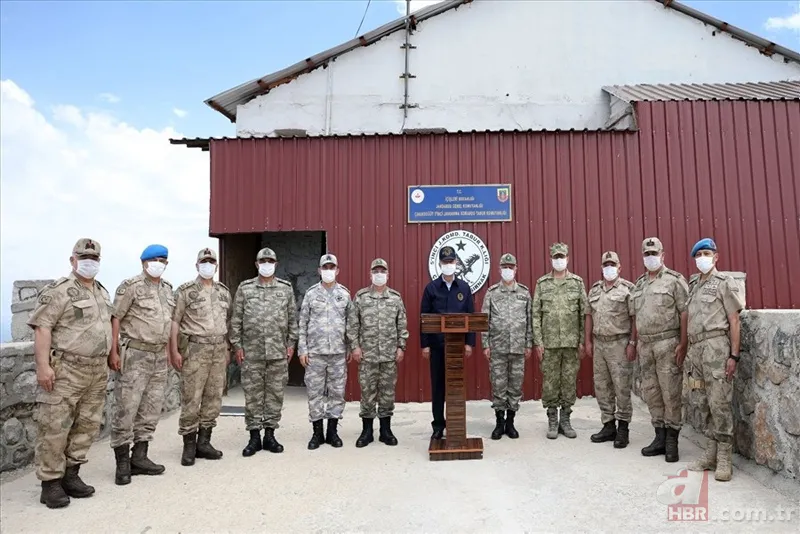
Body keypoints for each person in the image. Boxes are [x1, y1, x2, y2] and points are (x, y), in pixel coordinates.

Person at [28, 238, 113, 509]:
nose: (89, 262)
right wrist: (43, 366)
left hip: (96, 370)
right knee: (55, 426)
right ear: (72, 260)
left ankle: (71, 474)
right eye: (84, 257)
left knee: (87, 425)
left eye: (94, 258)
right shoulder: (59, 291)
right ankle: (51, 483)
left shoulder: (101, 292)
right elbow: (42, 327)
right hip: (66, 369)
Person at [108, 244, 174, 485]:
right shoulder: (131, 286)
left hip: (158, 356)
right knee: (127, 408)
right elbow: (116, 318)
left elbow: (168, 322)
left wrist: (169, 351)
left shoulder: (167, 289)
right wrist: (113, 351)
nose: (159, 264)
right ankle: (122, 464)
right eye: (155, 259)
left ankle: (140, 456)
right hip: (135, 354)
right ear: (144, 262)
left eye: (163, 260)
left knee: (151, 409)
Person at [229, 247, 298, 457]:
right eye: (263, 261)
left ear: (276, 264)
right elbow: (236, 319)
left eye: (270, 261)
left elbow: (292, 319)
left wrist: (291, 344)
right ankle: (254, 437)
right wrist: (237, 346)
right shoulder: (245, 288)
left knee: (275, 395)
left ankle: (270, 435)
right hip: (251, 352)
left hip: (278, 352)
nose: (266, 265)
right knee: (253, 395)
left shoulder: (285, 288)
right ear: (257, 264)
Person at [685, 238, 744, 482]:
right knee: (702, 401)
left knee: (719, 402)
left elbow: (734, 320)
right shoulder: (694, 285)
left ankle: (724, 457)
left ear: (716, 257)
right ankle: (710, 453)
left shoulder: (724, 283)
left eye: (707, 254)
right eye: (698, 255)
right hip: (696, 350)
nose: (702, 259)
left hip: (716, 348)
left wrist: (734, 355)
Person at [170, 248, 232, 466]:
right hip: (195, 349)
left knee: (213, 397)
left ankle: (204, 442)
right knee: (191, 397)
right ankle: (189, 445)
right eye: (204, 262)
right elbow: (174, 322)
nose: (208, 265)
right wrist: (174, 351)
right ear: (197, 266)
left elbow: (227, 322)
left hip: (218, 349)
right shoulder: (186, 291)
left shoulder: (223, 292)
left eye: (211, 262)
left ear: (216, 266)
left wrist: (227, 348)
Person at [630, 237, 689, 463]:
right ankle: (660, 437)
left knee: (670, 392)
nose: (650, 257)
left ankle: (672, 440)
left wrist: (683, 343)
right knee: (652, 392)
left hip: (667, 343)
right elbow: (636, 316)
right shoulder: (640, 284)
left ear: (662, 255)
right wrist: (634, 343)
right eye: (647, 254)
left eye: (654, 253)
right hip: (645, 345)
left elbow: (684, 312)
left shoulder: (675, 280)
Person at [348, 258, 409, 447]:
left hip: (389, 356)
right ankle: (367, 431)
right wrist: (355, 347)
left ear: (388, 274)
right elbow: (353, 324)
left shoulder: (395, 298)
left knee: (387, 394)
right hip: (367, 355)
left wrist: (401, 346)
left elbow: (402, 324)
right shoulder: (361, 297)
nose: (379, 274)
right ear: (370, 274)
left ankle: (385, 431)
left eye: (382, 271)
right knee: (367, 393)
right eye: (376, 271)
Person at [531, 242, 587, 440]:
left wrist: (582, 341)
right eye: (556, 257)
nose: (559, 260)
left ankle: (565, 419)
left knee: (569, 382)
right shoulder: (542, 284)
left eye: (561, 257)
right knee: (550, 383)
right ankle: (552, 419)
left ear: (567, 258)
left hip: (571, 343)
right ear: (551, 259)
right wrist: (538, 342)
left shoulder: (577, 283)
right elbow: (535, 315)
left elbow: (584, 314)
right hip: (550, 343)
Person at [419, 246, 475, 440]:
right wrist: (425, 345)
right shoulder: (431, 288)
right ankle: (438, 425)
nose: (448, 265)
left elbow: (470, 317)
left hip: (456, 347)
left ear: (456, 263)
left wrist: (469, 343)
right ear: (440, 264)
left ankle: (455, 424)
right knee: (438, 387)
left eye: (451, 261)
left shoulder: (464, 288)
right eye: (445, 262)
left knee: (455, 385)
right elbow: (424, 318)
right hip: (436, 346)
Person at [298, 253, 352, 450]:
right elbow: (302, 323)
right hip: (315, 353)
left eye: (332, 267)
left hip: (338, 352)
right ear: (319, 270)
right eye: (325, 267)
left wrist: (350, 346)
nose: (328, 270)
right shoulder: (311, 294)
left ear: (337, 270)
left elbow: (351, 324)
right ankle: (317, 433)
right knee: (315, 393)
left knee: (337, 392)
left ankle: (332, 432)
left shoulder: (345, 294)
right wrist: (302, 349)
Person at [584, 251, 637, 449]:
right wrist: (587, 341)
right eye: (606, 264)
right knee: (602, 386)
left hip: (619, 344)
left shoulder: (627, 289)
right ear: (601, 267)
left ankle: (623, 427)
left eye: (612, 264)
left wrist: (632, 343)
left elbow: (634, 318)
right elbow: (588, 315)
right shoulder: (595, 290)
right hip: (599, 344)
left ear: (619, 267)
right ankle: (608, 425)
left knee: (621, 386)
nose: (609, 268)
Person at [481, 253, 533, 440]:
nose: (508, 270)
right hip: (498, 347)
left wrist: (528, 344)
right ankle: (499, 422)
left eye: (511, 267)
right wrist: (485, 344)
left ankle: (510, 422)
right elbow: (484, 320)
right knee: (498, 385)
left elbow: (529, 320)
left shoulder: (524, 293)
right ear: (499, 269)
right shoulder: (492, 293)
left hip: (518, 347)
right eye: (505, 267)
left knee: (515, 386)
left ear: (516, 269)